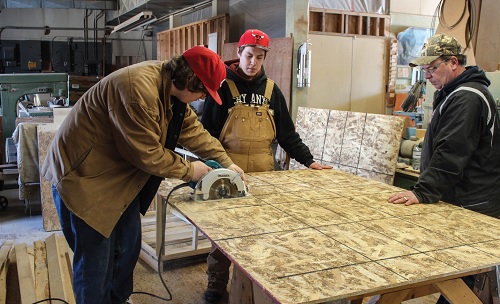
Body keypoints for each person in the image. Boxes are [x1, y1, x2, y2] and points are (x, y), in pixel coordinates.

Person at [41, 46, 245, 304]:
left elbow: (194, 133)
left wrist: (228, 164)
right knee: (96, 263)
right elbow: (146, 154)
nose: (202, 97)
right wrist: (190, 170)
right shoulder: (138, 90)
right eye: (202, 90)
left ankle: (119, 300)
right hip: (84, 177)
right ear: (190, 79)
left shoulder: (171, 91)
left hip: (115, 178)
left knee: (127, 249)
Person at [201, 29, 332, 303]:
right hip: (228, 172)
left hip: (264, 173)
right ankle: (216, 285)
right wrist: (210, 168)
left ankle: (259, 288)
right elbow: (207, 134)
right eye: (249, 56)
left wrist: (309, 161)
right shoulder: (223, 88)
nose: (253, 63)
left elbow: (287, 135)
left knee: (261, 232)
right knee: (223, 234)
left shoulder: (272, 91)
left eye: (259, 58)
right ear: (238, 53)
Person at [388, 33, 500, 304]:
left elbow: (451, 152)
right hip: (465, 197)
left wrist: (423, 191)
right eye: (424, 69)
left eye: (432, 68)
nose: (427, 75)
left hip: (474, 203)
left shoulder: (467, 98)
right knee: (458, 275)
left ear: (453, 62)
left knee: (463, 276)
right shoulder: (453, 94)